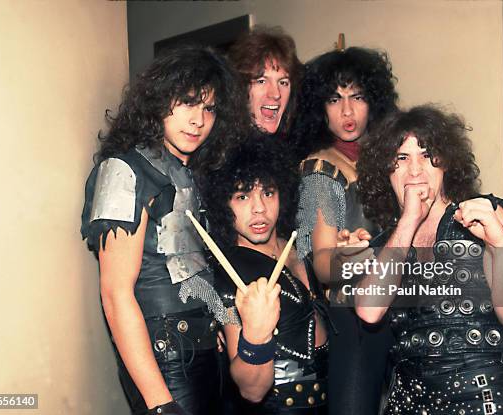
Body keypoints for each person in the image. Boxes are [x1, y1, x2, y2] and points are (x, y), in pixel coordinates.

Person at [80, 46, 245, 415]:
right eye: (186, 103)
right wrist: (158, 402)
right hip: (165, 360)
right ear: (158, 100)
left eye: (209, 108)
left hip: (205, 355)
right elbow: (115, 293)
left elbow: (193, 268)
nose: (198, 120)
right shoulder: (125, 170)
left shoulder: (190, 172)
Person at [354, 105, 503, 414]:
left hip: (486, 396)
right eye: (402, 158)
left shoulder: (487, 214)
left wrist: (498, 243)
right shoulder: (385, 243)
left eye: (426, 155)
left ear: (445, 163)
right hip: (409, 401)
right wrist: (408, 222)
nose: (415, 170)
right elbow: (369, 311)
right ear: (387, 170)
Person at [292, 46, 398, 415]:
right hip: (350, 318)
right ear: (320, 108)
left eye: (357, 97)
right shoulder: (323, 169)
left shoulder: (392, 160)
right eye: (335, 99)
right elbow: (321, 265)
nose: (347, 112)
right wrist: (357, 257)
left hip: (400, 311)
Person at [202, 139, 330, 414]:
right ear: (223, 204)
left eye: (268, 193)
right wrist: (256, 336)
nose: (259, 208)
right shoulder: (228, 274)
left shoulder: (298, 251)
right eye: (243, 196)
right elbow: (252, 389)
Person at [228, 26, 303, 138]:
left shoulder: (295, 148)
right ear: (240, 87)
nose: (276, 94)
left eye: (283, 83)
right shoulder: (220, 152)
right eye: (261, 81)